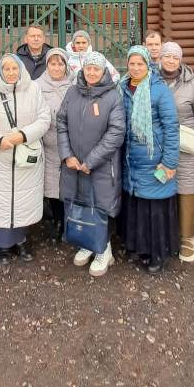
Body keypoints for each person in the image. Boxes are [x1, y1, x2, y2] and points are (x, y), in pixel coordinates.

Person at [0, 54, 50, 264]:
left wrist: (23, 135)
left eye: (15, 68)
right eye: (7, 69)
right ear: (0, 71)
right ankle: (2, 246)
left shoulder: (33, 89)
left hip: (25, 158)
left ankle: (22, 240)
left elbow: (44, 119)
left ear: (21, 70)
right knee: (0, 201)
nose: (11, 72)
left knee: (23, 200)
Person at [57, 52, 125, 277]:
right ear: (83, 70)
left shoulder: (112, 96)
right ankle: (87, 242)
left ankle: (104, 250)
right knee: (80, 202)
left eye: (97, 69)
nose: (92, 72)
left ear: (104, 70)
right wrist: (67, 155)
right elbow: (61, 122)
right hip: (74, 163)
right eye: (89, 68)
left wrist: (91, 160)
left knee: (99, 206)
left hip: (102, 166)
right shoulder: (72, 92)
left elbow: (116, 132)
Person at [118, 46, 180, 274]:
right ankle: (138, 247)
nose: (135, 68)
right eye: (132, 63)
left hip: (154, 158)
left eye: (140, 64)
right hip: (130, 158)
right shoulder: (122, 87)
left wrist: (170, 162)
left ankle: (157, 252)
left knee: (154, 207)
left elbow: (172, 128)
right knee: (137, 206)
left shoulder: (159, 89)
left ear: (148, 64)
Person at [158, 42, 194, 263]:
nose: (170, 61)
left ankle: (188, 237)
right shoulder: (152, 79)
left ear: (180, 60)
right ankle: (166, 233)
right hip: (160, 147)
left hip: (187, 148)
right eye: (167, 56)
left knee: (187, 190)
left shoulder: (193, 85)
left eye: (175, 57)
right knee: (161, 187)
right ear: (160, 58)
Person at [36, 47, 76, 242]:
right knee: (52, 187)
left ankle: (71, 222)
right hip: (48, 145)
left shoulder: (75, 84)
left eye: (60, 63)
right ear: (47, 65)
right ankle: (58, 221)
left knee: (70, 185)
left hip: (71, 144)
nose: (57, 67)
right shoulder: (37, 86)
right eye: (53, 63)